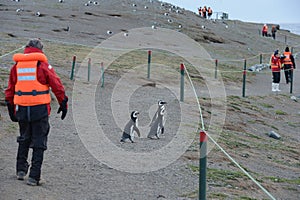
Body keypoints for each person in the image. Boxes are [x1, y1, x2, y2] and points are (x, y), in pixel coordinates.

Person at [5, 39, 68, 186]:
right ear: (40, 50)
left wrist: (10, 107)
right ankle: (34, 176)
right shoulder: (43, 65)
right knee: (39, 141)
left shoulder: (17, 66)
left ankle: (20, 170)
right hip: (39, 109)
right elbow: (56, 85)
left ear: (27, 49)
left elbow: (10, 89)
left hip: (22, 108)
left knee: (24, 137)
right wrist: (63, 102)